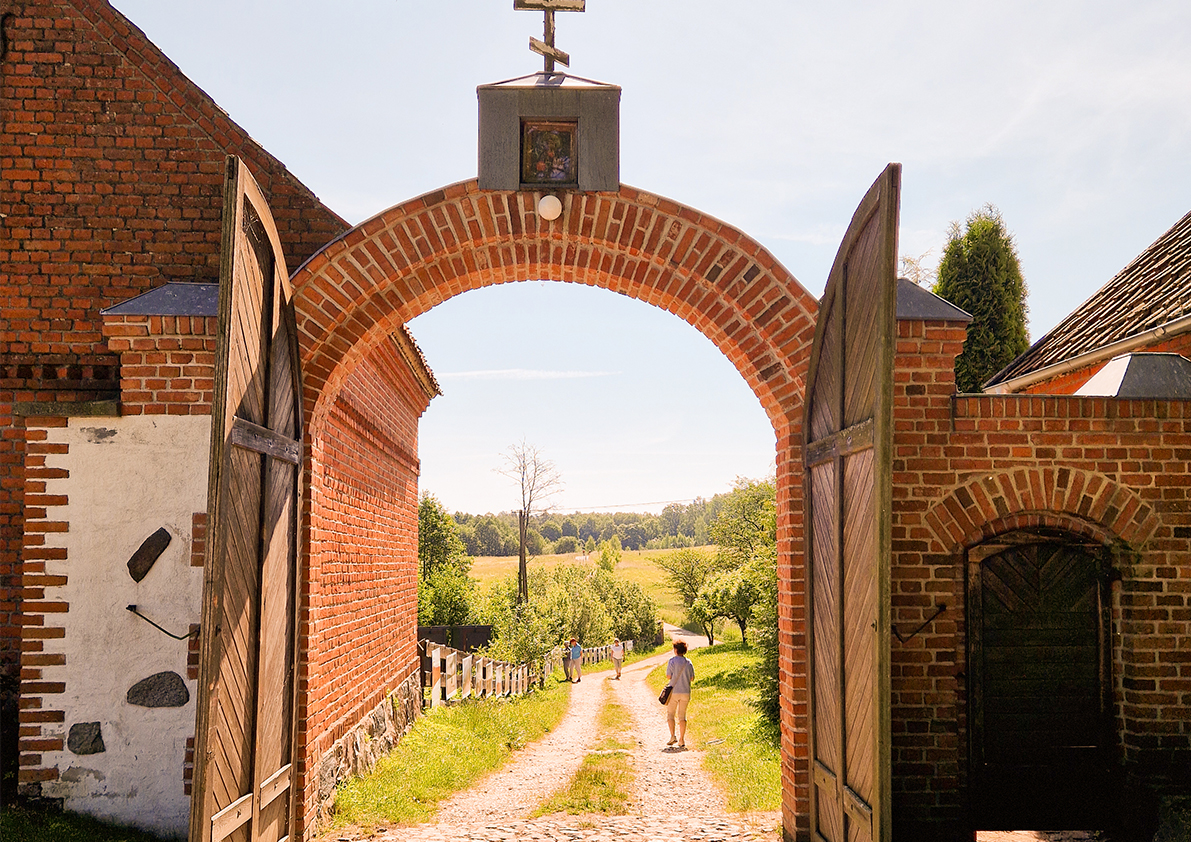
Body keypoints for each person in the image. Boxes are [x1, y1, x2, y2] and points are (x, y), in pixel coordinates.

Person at [665, 638, 695, 748]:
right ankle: (682, 739)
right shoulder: (688, 662)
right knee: (682, 716)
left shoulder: (672, 661)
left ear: (676, 650)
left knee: (670, 714)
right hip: (686, 692)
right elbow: (692, 678)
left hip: (674, 691)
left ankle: (673, 736)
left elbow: (668, 676)